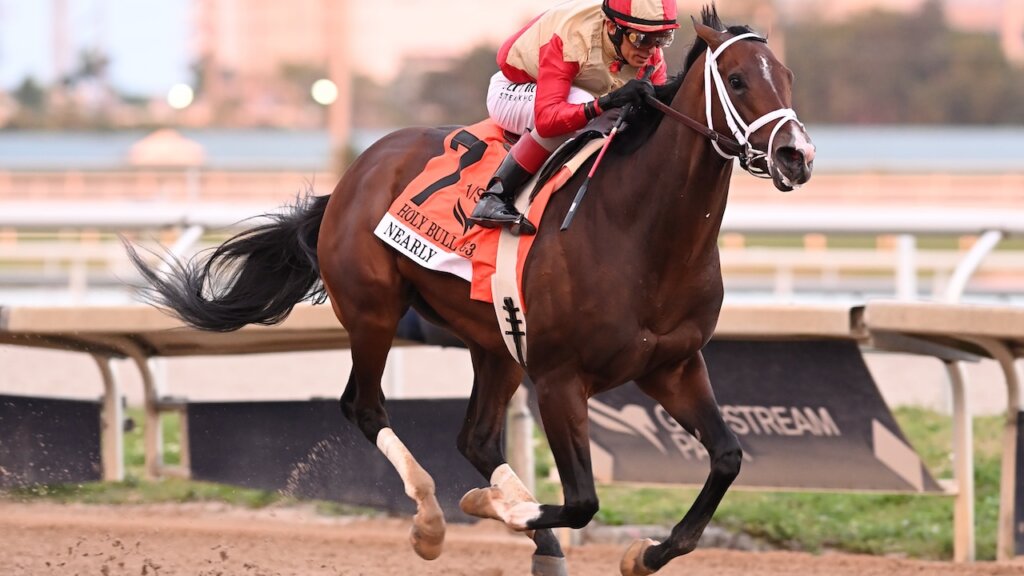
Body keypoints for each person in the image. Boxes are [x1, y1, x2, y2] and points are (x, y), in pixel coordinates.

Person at [468, 0, 678, 235]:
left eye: (662, 38)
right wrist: (607, 101)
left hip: (568, 89)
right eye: (641, 39)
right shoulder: (572, 35)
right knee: (580, 103)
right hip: (514, 88)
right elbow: (548, 120)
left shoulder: (652, 56)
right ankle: (495, 195)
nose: (650, 49)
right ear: (612, 27)